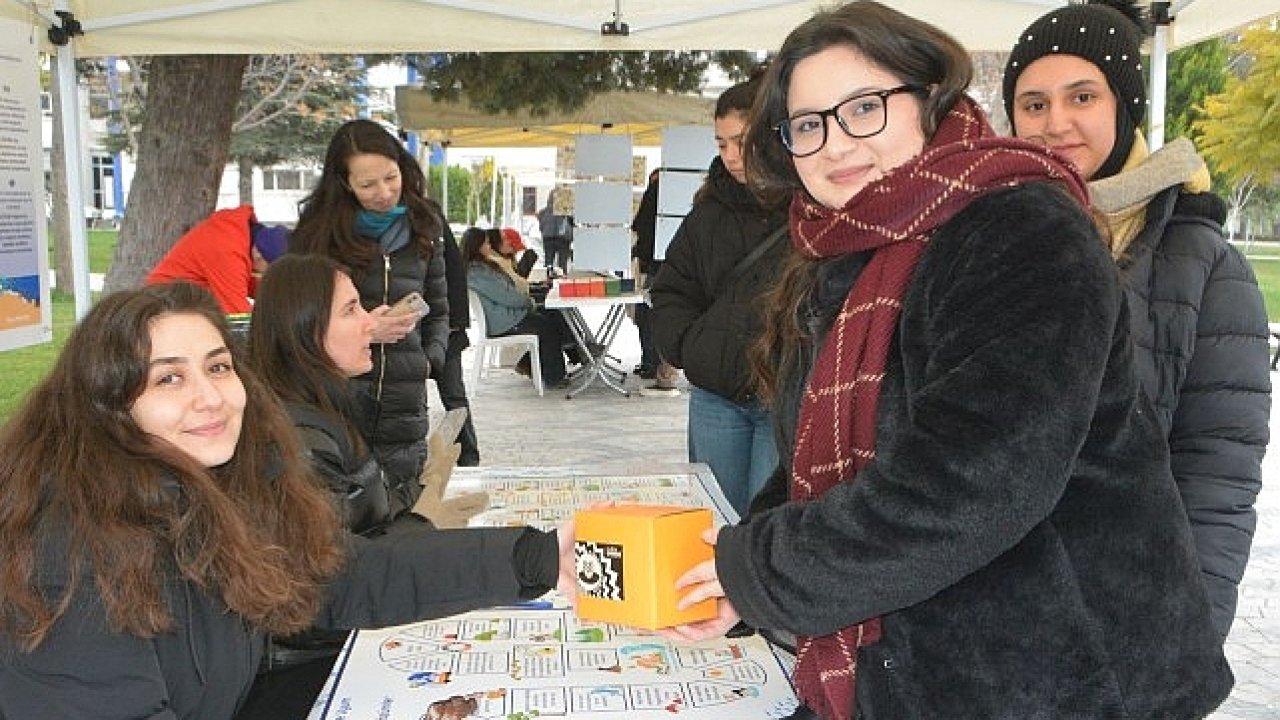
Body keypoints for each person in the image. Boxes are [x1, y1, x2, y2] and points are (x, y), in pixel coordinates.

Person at [653, 3, 1231, 719]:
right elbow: (819, 463)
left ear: (931, 101)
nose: (835, 145)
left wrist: (757, 570)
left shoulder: (1023, 230)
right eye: (808, 124)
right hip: (922, 663)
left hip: (1065, 673)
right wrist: (737, 577)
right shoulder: (840, 254)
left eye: (864, 107)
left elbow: (973, 482)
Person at [0, 282, 573, 720]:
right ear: (108, 405)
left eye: (218, 367)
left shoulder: (210, 492)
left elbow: (341, 576)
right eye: (167, 380)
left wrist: (540, 559)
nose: (210, 399)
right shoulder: (67, 559)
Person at [1003, 0, 1270, 643]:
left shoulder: (1205, 265)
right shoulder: (985, 240)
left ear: (1125, 108)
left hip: (1125, 615)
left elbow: (1217, 471)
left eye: (1083, 97)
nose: (1055, 123)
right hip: (995, 612)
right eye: (1034, 103)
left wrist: (1192, 635)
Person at [290, 119, 450, 512]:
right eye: (367, 185)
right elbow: (297, 320)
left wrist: (430, 359)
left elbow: (443, 307)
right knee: (350, 512)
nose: (384, 193)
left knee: (407, 507)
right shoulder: (317, 235)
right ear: (344, 184)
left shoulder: (423, 224)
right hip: (339, 396)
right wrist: (364, 329)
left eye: (390, 178)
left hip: (406, 397)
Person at [650, 76, 789, 515]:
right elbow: (672, 287)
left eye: (740, 141)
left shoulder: (813, 207)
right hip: (716, 398)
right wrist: (690, 348)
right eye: (721, 144)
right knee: (715, 523)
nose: (730, 155)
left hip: (781, 397)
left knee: (768, 528)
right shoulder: (708, 211)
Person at [462, 226, 580, 387]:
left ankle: (573, 353)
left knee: (552, 314)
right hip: (505, 321)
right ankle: (556, 375)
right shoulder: (478, 273)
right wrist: (528, 301)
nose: (490, 246)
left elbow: (508, 292)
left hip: (508, 316)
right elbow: (507, 296)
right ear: (476, 247)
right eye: (486, 243)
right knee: (547, 327)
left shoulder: (482, 268)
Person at [145, 204, 289, 314]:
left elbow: (254, 285)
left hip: (190, 298)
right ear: (258, 256)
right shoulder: (227, 250)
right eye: (268, 270)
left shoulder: (243, 236)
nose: (265, 275)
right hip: (166, 302)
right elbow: (237, 313)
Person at [439, 222, 482, 466]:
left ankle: (468, 456)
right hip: (405, 332)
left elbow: (455, 271)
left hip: (444, 328)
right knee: (413, 402)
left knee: (453, 396)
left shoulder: (431, 220)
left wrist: (457, 322)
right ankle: (422, 459)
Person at [537, 189, 574, 275]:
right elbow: (572, 223)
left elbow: (541, 226)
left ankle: (548, 281)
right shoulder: (566, 212)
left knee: (548, 263)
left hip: (548, 238)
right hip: (563, 239)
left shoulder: (543, 212)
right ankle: (562, 281)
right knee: (562, 264)